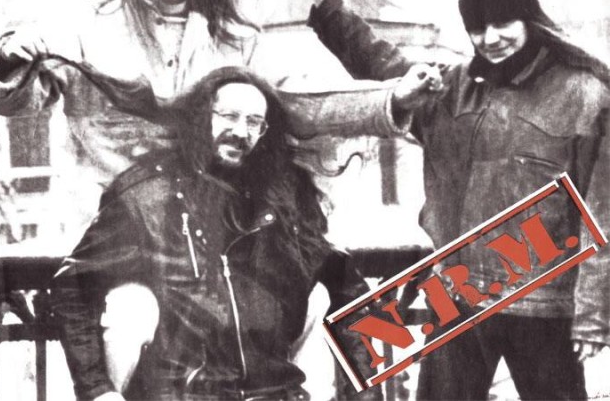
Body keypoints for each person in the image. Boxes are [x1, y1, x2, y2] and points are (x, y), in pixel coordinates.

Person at [0, 0, 421, 399]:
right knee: (130, 314)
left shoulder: (231, 36)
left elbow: (295, 103)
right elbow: (18, 99)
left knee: (301, 306)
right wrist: (12, 59)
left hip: (213, 233)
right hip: (127, 235)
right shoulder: (88, 25)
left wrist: (390, 101)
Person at [50, 66, 391, 401]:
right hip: (180, 394)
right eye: (229, 116)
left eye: (254, 122)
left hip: (272, 393)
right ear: (201, 118)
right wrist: (98, 391)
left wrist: (366, 392)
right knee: (129, 301)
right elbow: (73, 285)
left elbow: (346, 285)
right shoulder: (147, 196)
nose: (241, 132)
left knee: (318, 295)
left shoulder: (281, 198)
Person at [380, 0, 610, 399]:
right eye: (477, 28)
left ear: (530, 18)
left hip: (544, 305)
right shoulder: (453, 88)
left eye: (503, 23)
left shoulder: (586, 94)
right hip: (458, 295)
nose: (490, 38)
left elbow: (602, 215)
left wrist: (593, 317)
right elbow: (381, 63)